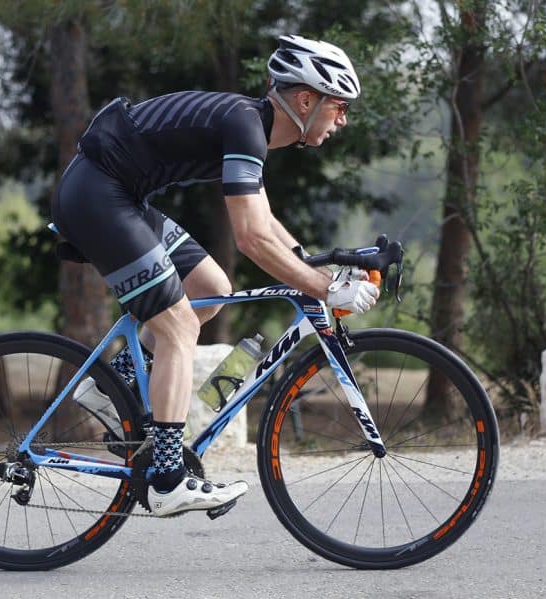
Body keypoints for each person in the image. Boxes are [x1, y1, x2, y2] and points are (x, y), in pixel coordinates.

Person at [51, 34, 380, 517]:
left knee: (211, 288)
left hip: (118, 195)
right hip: (98, 196)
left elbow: (265, 222)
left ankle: (110, 387)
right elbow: (251, 239)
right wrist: (325, 288)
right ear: (306, 101)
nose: (343, 120)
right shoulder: (245, 126)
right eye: (340, 106)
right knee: (179, 326)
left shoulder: (251, 126)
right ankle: (167, 480)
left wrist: (314, 266)